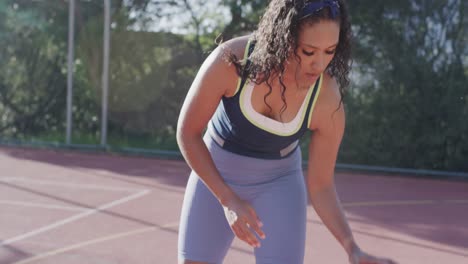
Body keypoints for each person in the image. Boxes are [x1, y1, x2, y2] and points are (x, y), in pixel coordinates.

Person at [176, 0, 397, 263]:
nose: (319, 64)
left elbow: (322, 186)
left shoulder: (326, 100)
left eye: (330, 51)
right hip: (217, 170)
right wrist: (227, 199)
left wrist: (352, 248)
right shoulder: (233, 60)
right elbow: (187, 133)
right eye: (308, 51)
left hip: (279, 182)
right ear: (284, 38)